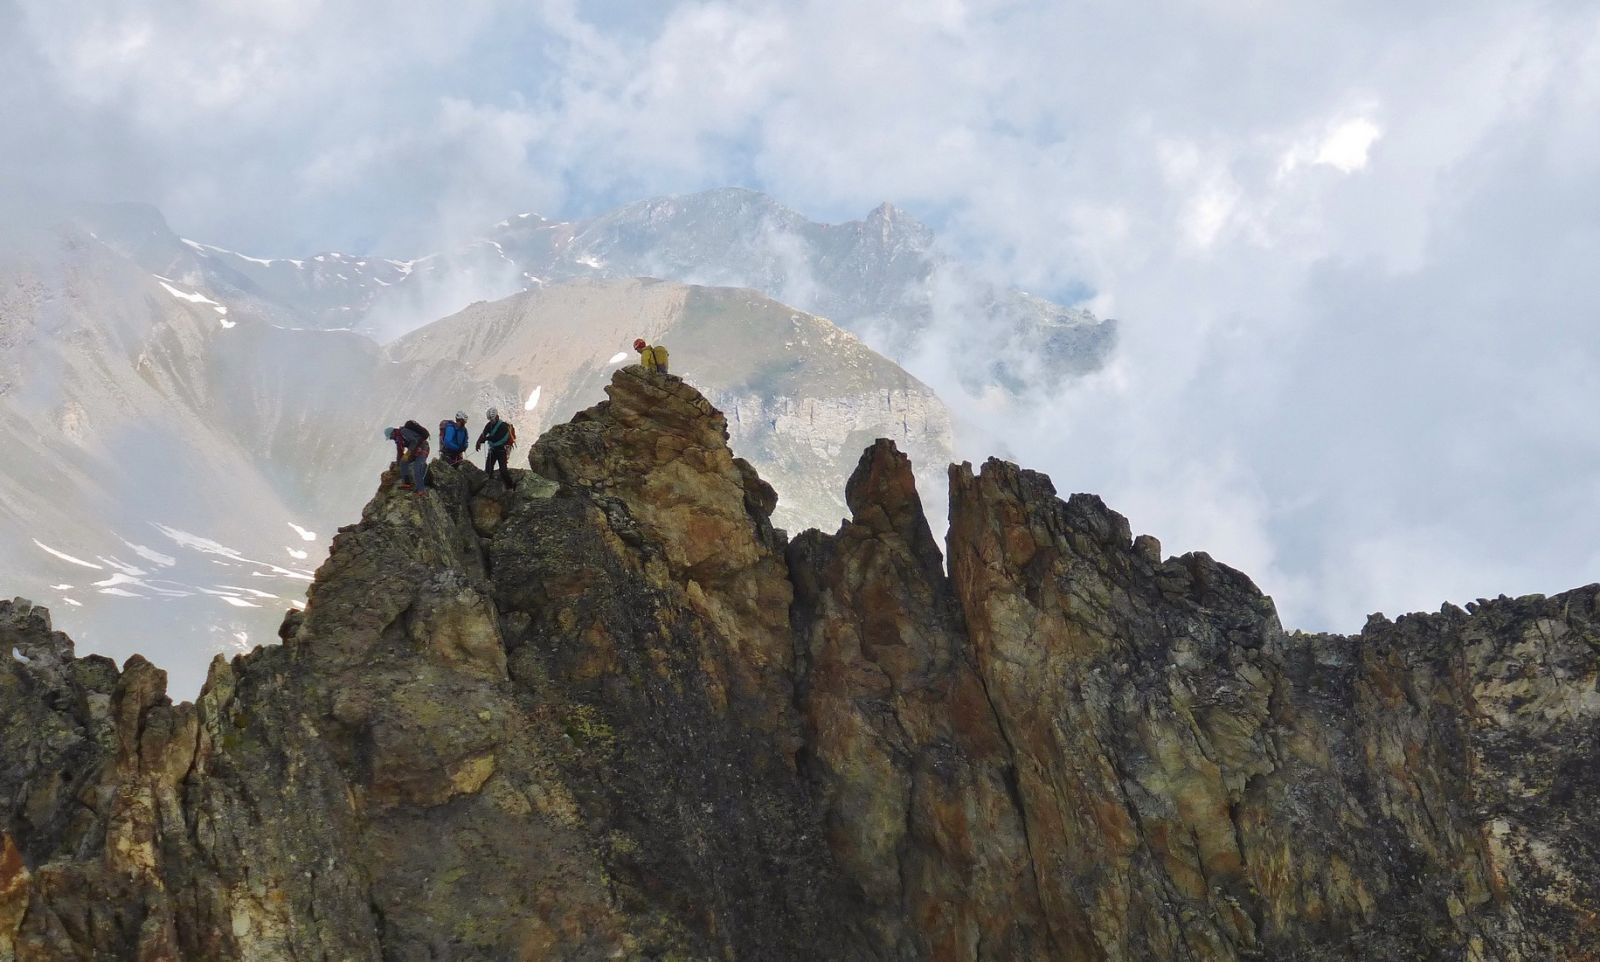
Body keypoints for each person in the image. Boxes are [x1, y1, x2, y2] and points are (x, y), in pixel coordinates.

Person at [383, 420, 430, 496]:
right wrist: (398, 463)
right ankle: (407, 483)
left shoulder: (404, 432)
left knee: (417, 467)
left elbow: (415, 441)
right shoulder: (398, 439)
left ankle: (421, 490)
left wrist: (408, 453)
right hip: (415, 450)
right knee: (403, 462)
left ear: (392, 433)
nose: (391, 438)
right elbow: (400, 452)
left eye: (391, 437)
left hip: (423, 447)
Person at [475, 407, 517, 488]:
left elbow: (496, 437)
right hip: (493, 450)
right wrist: (478, 441)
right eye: (490, 420)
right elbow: (484, 433)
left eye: (492, 419)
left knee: (503, 470)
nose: (491, 421)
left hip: (502, 450)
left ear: (497, 417)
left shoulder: (503, 426)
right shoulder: (489, 425)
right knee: (488, 470)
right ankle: (489, 487)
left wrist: (485, 439)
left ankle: (511, 486)